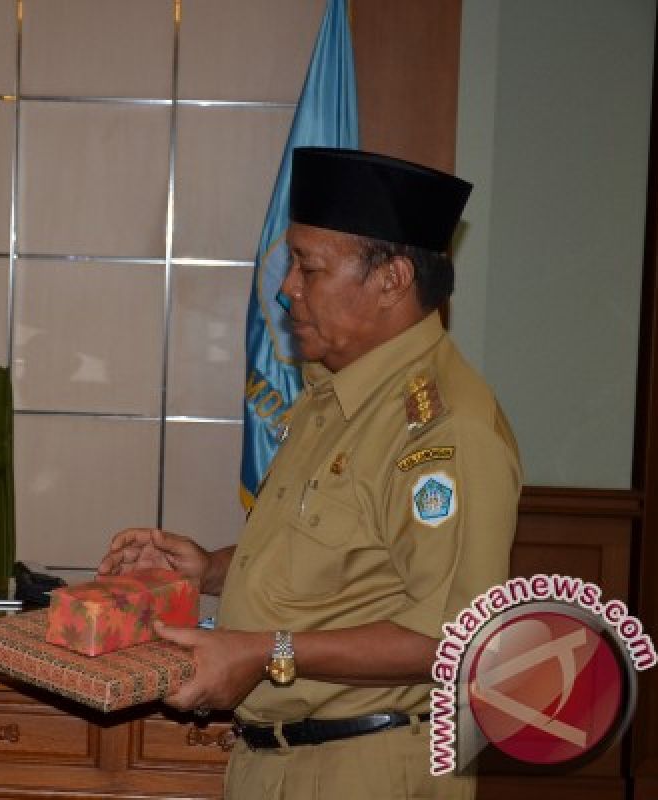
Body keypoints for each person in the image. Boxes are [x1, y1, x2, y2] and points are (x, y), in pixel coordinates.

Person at [98, 147, 521, 799]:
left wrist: (265, 651)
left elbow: (451, 636)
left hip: (369, 767)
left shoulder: (443, 429)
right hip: (278, 764)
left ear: (391, 280)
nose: (287, 287)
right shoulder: (337, 394)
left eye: (309, 266)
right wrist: (208, 568)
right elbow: (335, 559)